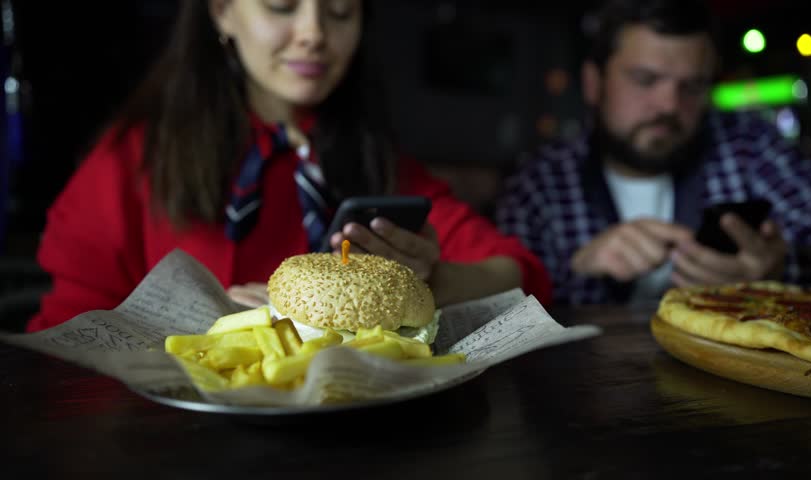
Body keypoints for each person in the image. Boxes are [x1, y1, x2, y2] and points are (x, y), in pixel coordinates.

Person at [28, 0, 551, 332]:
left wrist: (424, 279)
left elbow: (517, 272)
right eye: (282, 6)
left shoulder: (374, 160)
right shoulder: (134, 158)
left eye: (341, 12)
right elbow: (70, 331)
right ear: (221, 12)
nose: (314, 32)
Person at [495, 0, 811, 305]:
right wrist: (577, 274)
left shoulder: (750, 148)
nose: (669, 105)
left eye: (693, 86)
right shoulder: (538, 184)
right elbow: (501, 313)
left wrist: (778, 273)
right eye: (645, 79)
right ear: (594, 83)